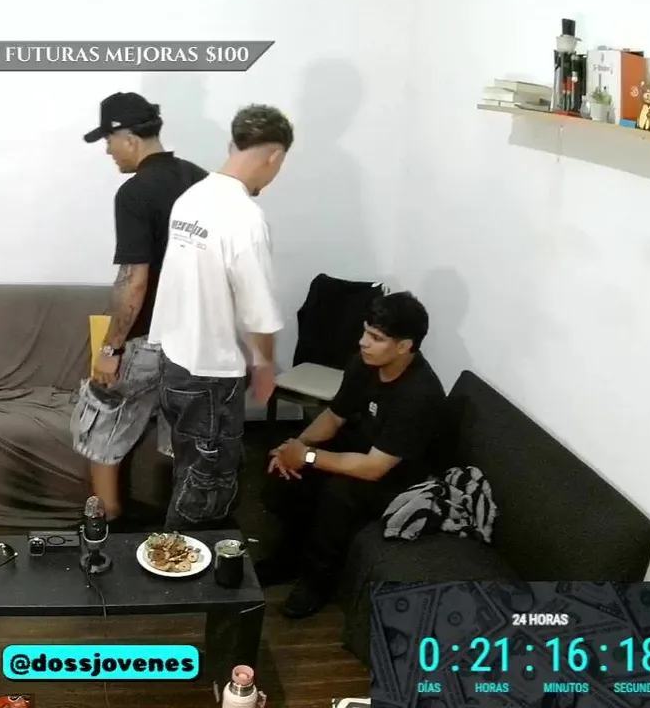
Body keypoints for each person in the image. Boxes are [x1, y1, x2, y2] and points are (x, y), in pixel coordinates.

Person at [146, 104, 293, 531]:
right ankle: (171, 563)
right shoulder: (245, 217)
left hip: (173, 362)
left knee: (191, 469)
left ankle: (194, 556)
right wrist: (264, 365)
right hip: (210, 375)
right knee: (206, 487)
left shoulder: (191, 199)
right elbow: (258, 310)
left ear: (233, 145)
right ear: (275, 155)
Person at [256, 291, 446, 619]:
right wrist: (295, 446)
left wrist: (308, 456)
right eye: (365, 332)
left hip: (400, 475)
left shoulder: (419, 395)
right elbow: (334, 416)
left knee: (339, 492)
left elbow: (374, 468)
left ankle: (317, 581)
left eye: (376, 338)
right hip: (364, 449)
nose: (363, 342)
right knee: (285, 470)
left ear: (405, 346)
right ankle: (288, 556)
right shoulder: (364, 363)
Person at [71, 92, 208, 523]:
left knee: (100, 416)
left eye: (108, 141)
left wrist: (111, 349)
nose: (108, 152)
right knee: (181, 436)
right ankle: (176, 531)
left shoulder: (134, 192)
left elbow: (134, 281)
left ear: (128, 137)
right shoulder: (201, 181)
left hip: (150, 338)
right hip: (198, 340)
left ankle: (105, 522)